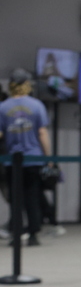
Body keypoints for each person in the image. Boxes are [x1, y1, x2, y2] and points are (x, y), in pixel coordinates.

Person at [0, 68, 53, 247]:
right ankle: (33, 235)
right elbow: (42, 133)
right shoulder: (37, 105)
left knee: (16, 200)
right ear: (27, 84)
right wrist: (48, 158)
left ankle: (16, 235)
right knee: (32, 198)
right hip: (33, 159)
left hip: (12, 161)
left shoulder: (3, 107)